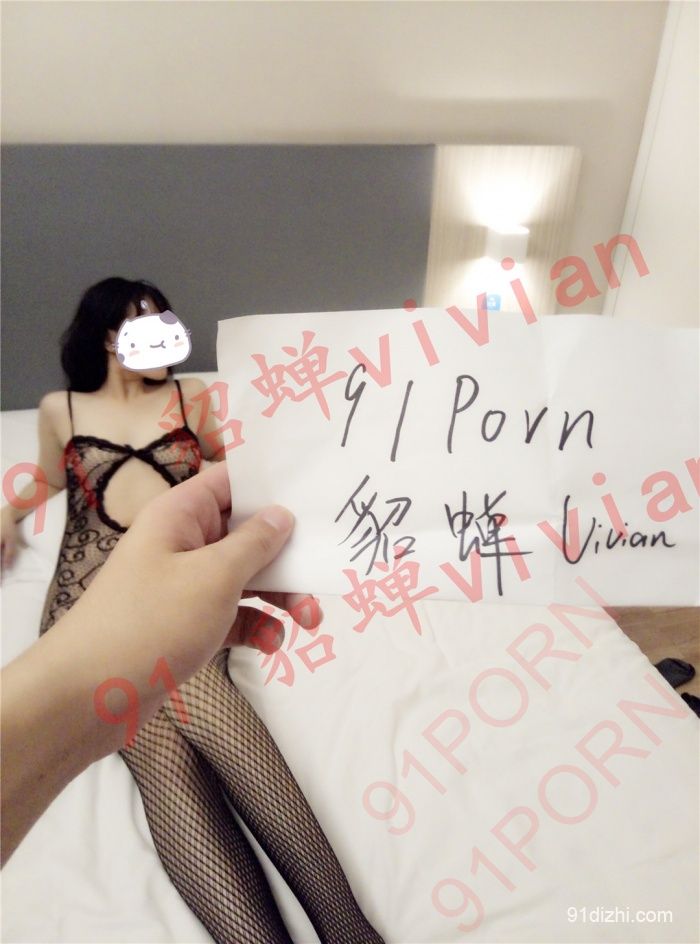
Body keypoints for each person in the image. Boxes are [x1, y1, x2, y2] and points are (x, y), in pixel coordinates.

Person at [0, 277, 383, 944]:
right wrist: (7, 514)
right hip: (85, 600)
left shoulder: (191, 399)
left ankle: (347, 930)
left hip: (174, 585)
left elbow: (245, 471)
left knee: (199, 706)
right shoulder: (62, 408)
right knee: (160, 755)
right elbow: (48, 476)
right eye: (143, 323)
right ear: (108, 338)